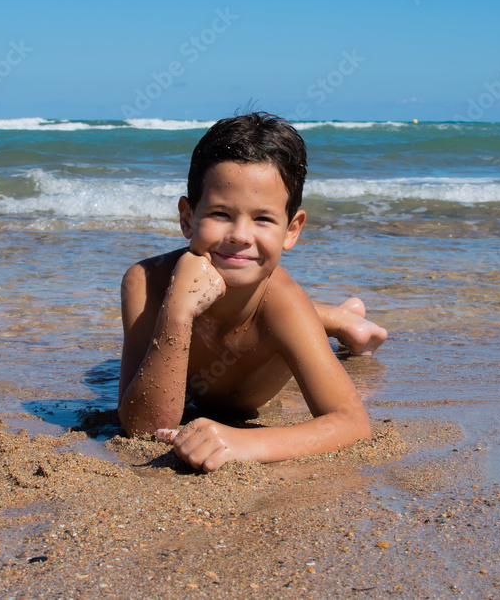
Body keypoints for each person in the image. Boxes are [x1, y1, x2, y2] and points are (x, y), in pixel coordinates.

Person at [117, 111, 386, 472]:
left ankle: (342, 321)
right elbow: (143, 426)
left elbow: (352, 423)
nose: (240, 236)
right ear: (187, 218)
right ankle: (342, 318)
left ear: (292, 230)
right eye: (220, 213)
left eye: (262, 219)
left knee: (283, 308)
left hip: (265, 340)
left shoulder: (284, 303)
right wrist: (176, 313)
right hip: (239, 324)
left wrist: (244, 441)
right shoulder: (145, 282)